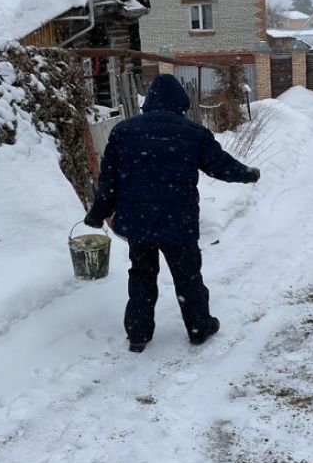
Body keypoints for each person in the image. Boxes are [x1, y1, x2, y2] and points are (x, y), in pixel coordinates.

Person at [84, 74, 260, 353]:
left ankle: (138, 334)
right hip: (177, 222)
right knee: (187, 276)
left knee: (141, 274)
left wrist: (97, 213)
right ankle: (199, 327)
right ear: (181, 101)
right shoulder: (192, 132)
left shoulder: (123, 131)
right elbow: (219, 165)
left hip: (138, 222)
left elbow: (109, 180)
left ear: (149, 101)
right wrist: (247, 174)